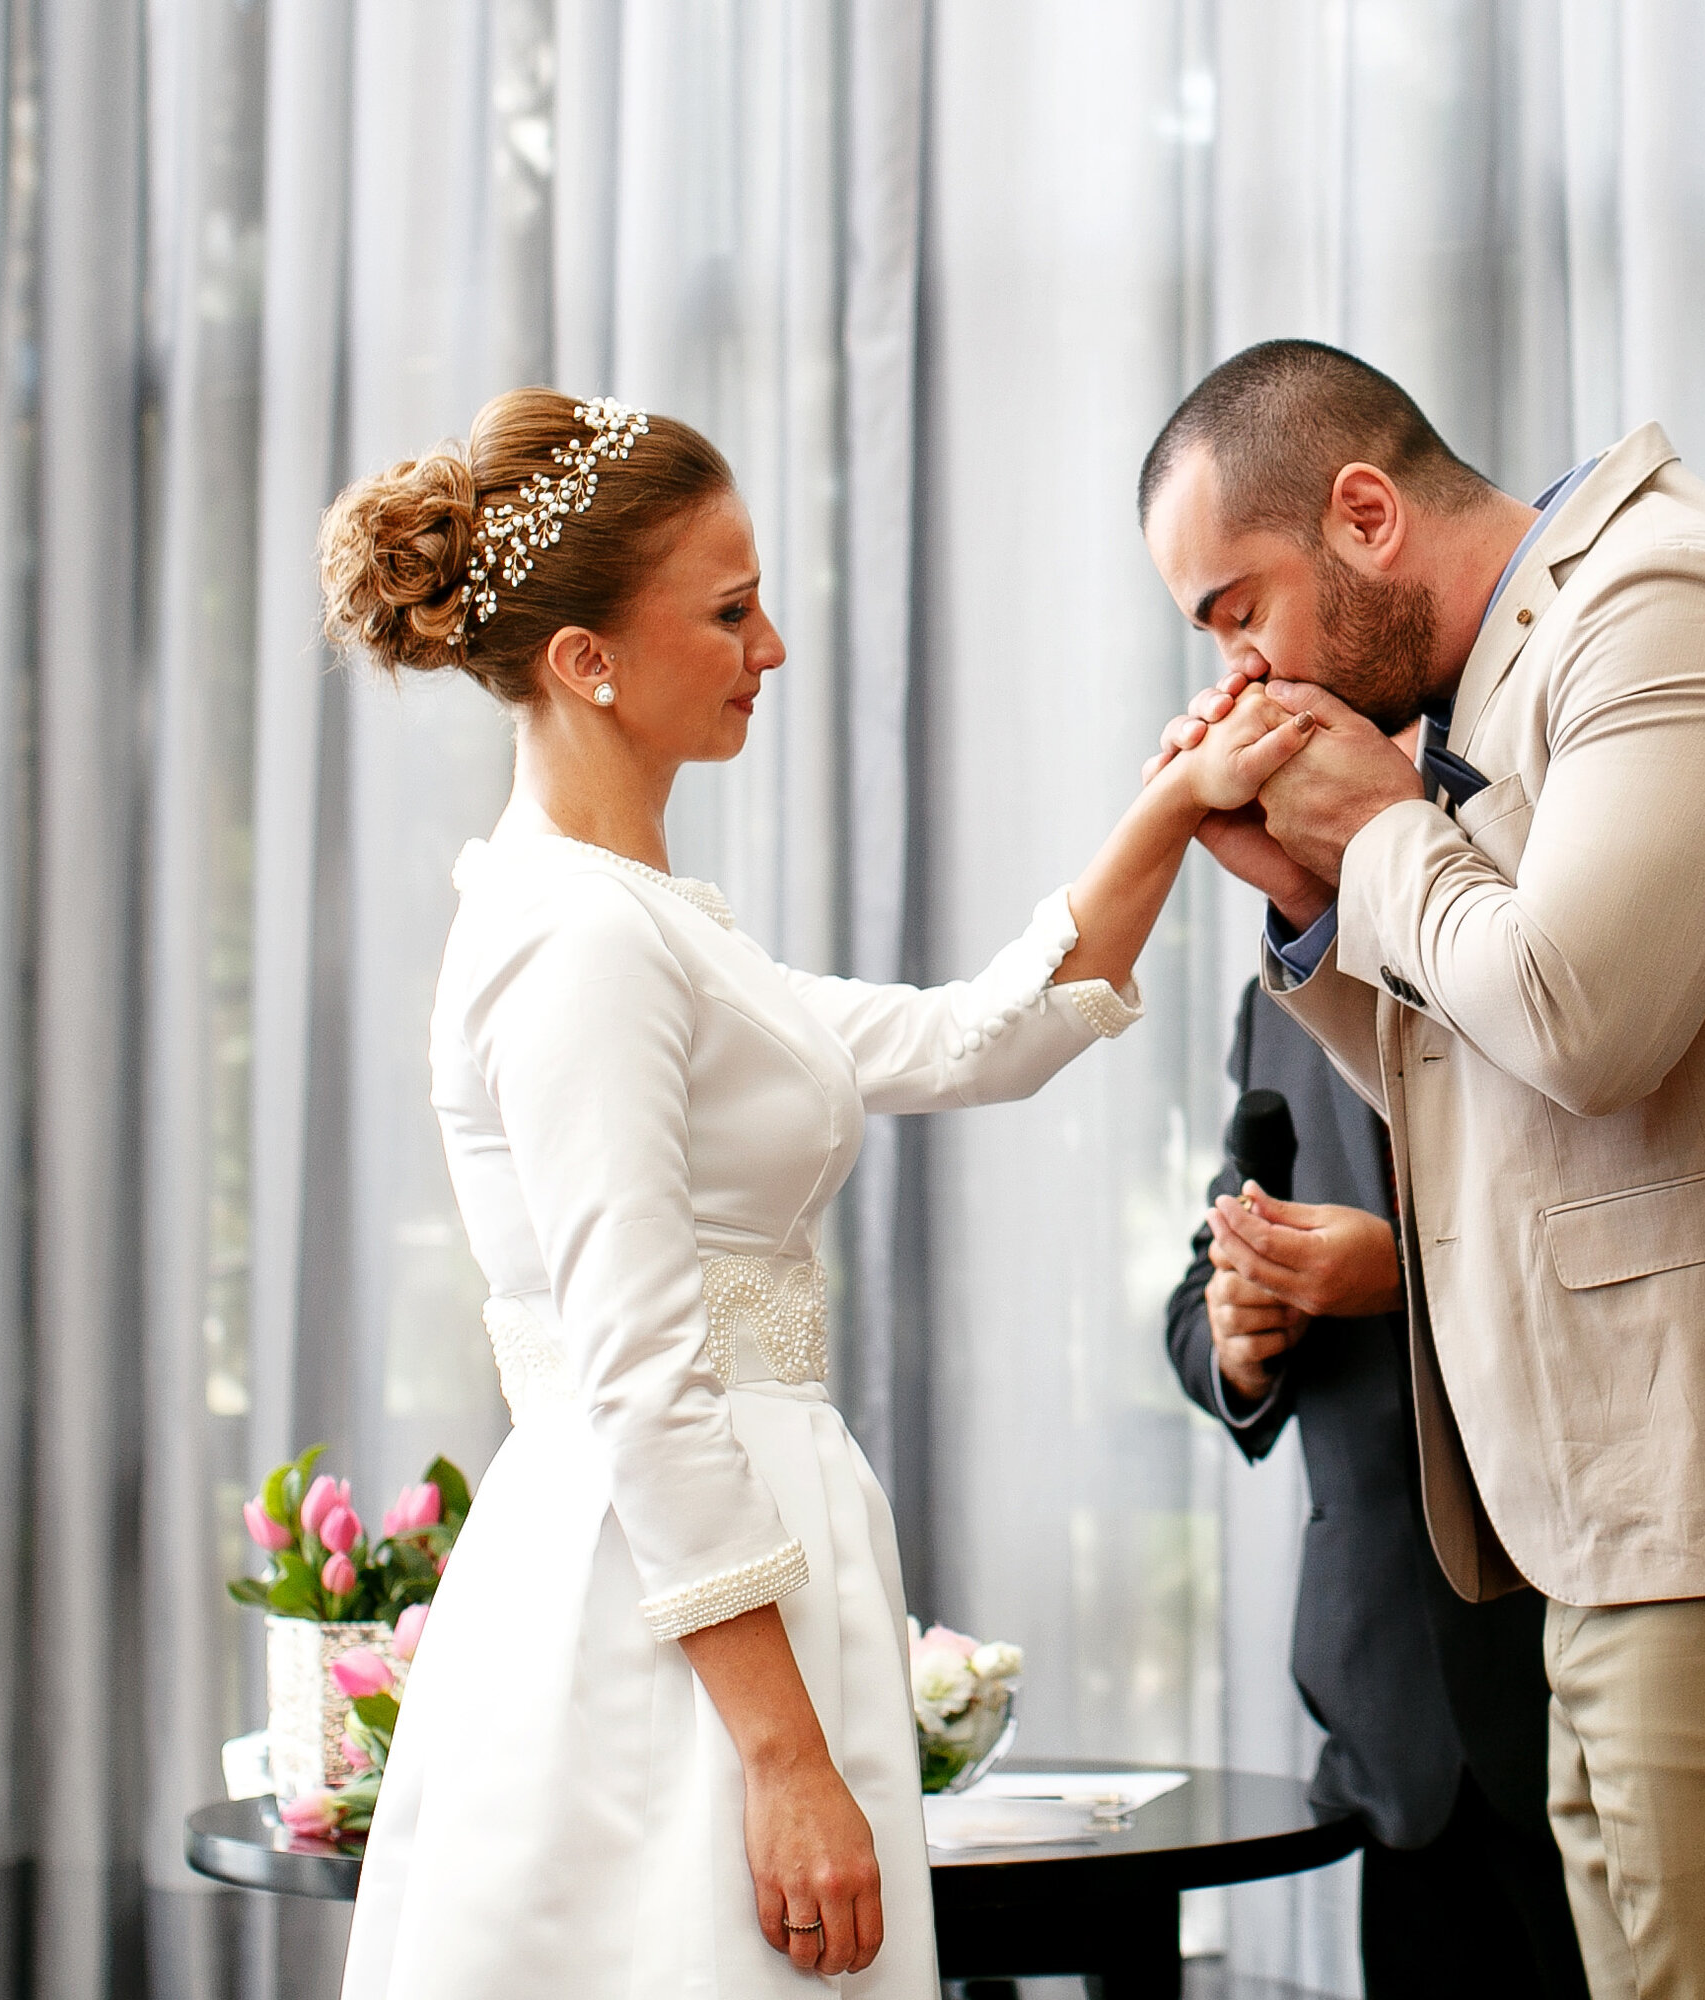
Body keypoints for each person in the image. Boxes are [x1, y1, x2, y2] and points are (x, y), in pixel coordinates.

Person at [315, 388, 1312, 1999]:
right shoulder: (577, 942)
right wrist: (783, 1763)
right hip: (663, 1627)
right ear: (588, 662)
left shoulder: (657, 929)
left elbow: (976, 1036)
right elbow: (643, 1371)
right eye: (728, 610)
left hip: (736, 1577)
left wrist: (1173, 809)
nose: (771, 645)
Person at [1139, 340, 1705, 2000]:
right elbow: (1489, 1104)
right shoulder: (1501, 682)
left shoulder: (1670, 608)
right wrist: (1312, 905)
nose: (1234, 666)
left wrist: (1382, 835)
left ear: (1363, 514)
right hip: (1649, 1532)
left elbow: (1581, 1018)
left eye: (1233, 606)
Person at [1167, 977, 1587, 1999]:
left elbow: (1608, 1242)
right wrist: (1237, 1339)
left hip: (1572, 1668)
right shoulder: (1273, 998)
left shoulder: (1524, 955)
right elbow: (1200, 1286)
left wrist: (1402, 1275)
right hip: (1387, 1707)